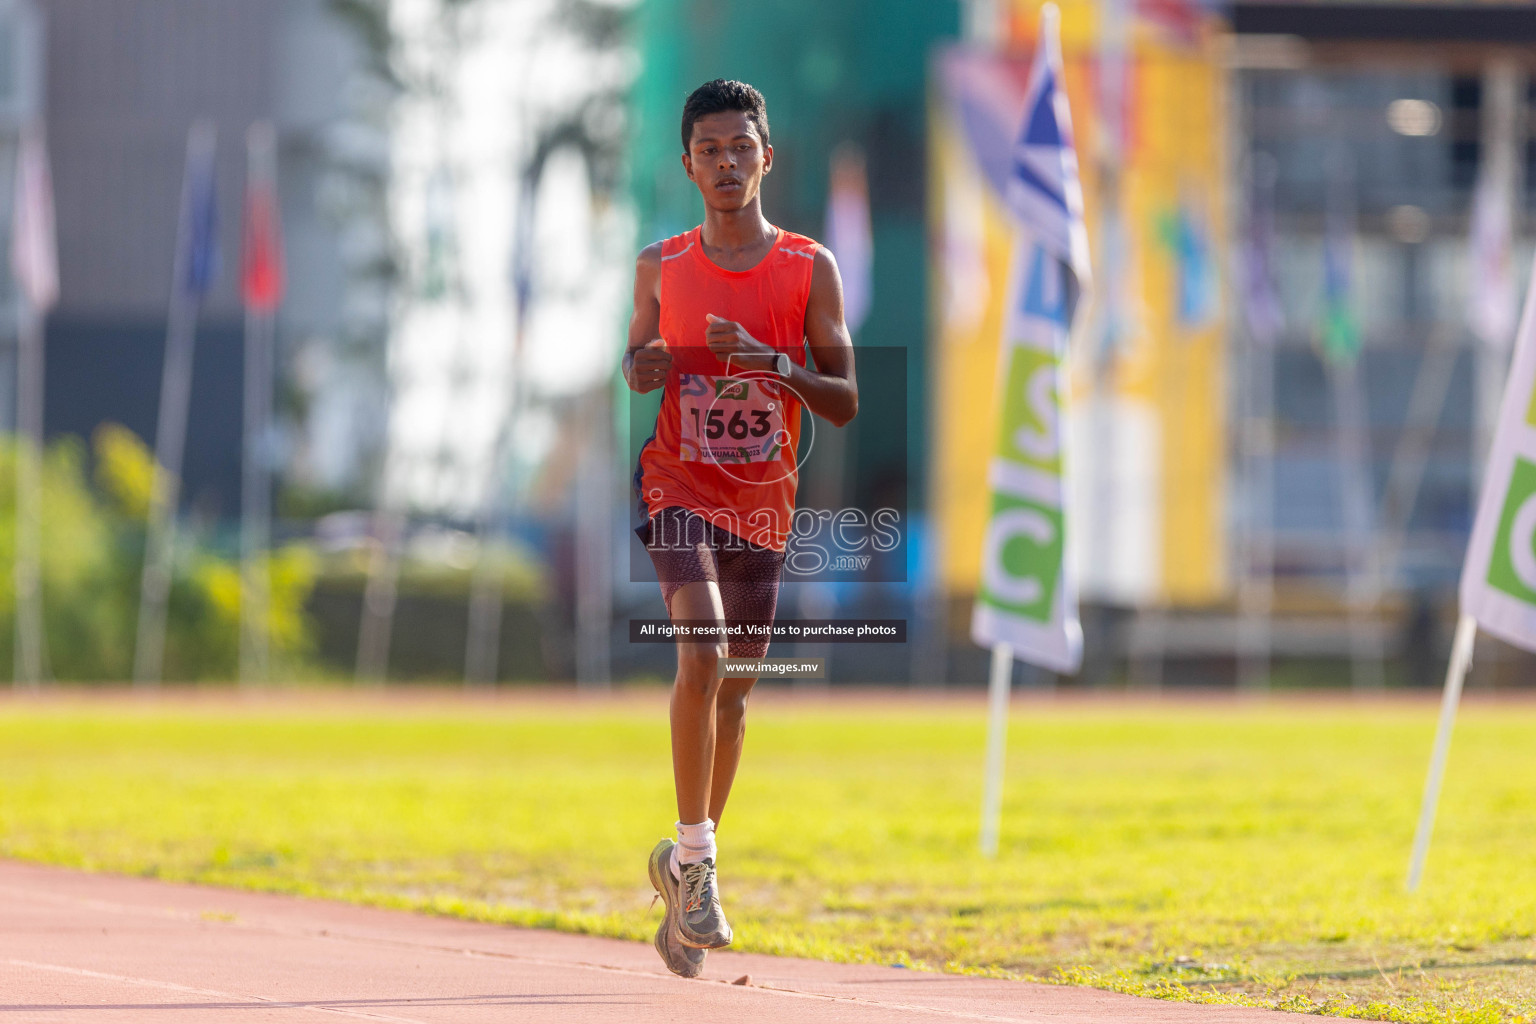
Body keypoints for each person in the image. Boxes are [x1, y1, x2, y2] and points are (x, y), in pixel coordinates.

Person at [622, 78, 858, 978]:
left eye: (741, 148)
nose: (727, 163)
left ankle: (681, 867)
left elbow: (842, 401)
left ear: (769, 157)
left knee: (736, 696)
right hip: (676, 482)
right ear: (688, 166)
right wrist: (644, 368)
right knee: (703, 653)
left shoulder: (809, 268)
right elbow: (639, 361)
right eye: (710, 151)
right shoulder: (659, 265)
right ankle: (703, 861)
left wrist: (767, 364)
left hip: (763, 503)